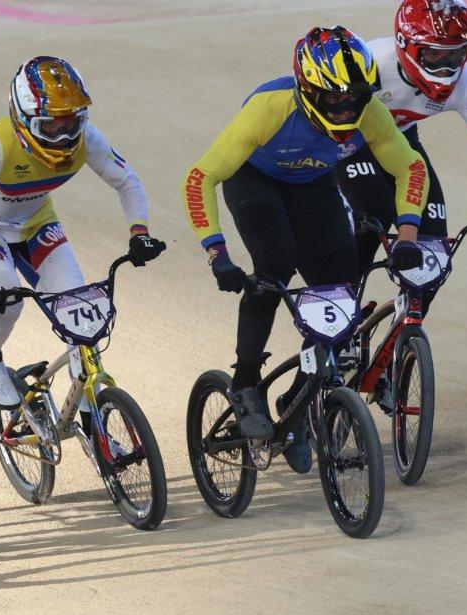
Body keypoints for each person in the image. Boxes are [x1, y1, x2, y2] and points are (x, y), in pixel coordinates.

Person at [182, 26, 429, 473]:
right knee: (274, 266)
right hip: (255, 180)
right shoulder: (269, 108)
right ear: (309, 88)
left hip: (312, 183)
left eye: (356, 98)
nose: (349, 107)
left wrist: (408, 234)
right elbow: (201, 177)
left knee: (341, 292)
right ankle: (245, 383)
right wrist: (217, 253)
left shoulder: (369, 112)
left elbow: (410, 164)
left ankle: (298, 400)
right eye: (336, 99)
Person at [0, 56, 162, 409]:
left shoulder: (87, 137)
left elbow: (127, 180)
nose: (64, 136)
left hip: (37, 222)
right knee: (6, 302)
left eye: (71, 123)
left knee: (81, 315)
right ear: (24, 120)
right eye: (51, 126)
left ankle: (96, 424)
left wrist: (140, 232)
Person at [336, 0, 467, 282]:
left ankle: (410, 319)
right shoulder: (371, 62)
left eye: (456, 54)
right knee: (374, 215)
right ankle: (344, 295)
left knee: (435, 252)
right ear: (406, 45)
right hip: (350, 141)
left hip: (400, 140)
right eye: (434, 55)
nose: (447, 68)